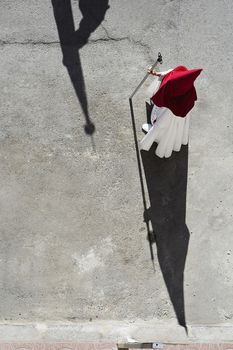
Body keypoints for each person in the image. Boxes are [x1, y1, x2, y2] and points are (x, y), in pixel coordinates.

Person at [140, 66, 202, 158]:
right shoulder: (187, 87)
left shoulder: (172, 96)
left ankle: (157, 138)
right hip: (178, 114)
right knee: (175, 128)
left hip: (168, 113)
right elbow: (170, 73)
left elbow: (160, 123)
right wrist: (155, 73)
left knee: (161, 126)